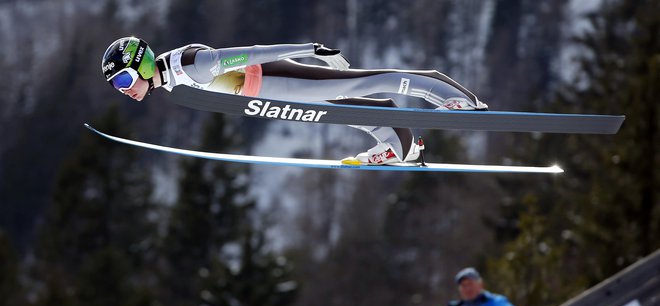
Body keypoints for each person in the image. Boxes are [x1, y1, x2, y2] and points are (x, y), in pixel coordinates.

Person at [101, 37, 488, 165]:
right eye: (116, 86)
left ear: (140, 64)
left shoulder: (191, 64)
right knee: (338, 111)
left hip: (276, 78)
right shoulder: (169, 76)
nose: (124, 90)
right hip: (264, 91)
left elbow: (251, 53)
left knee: (358, 84)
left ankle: (451, 94)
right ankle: (402, 143)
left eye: (122, 79)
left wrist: (311, 49)